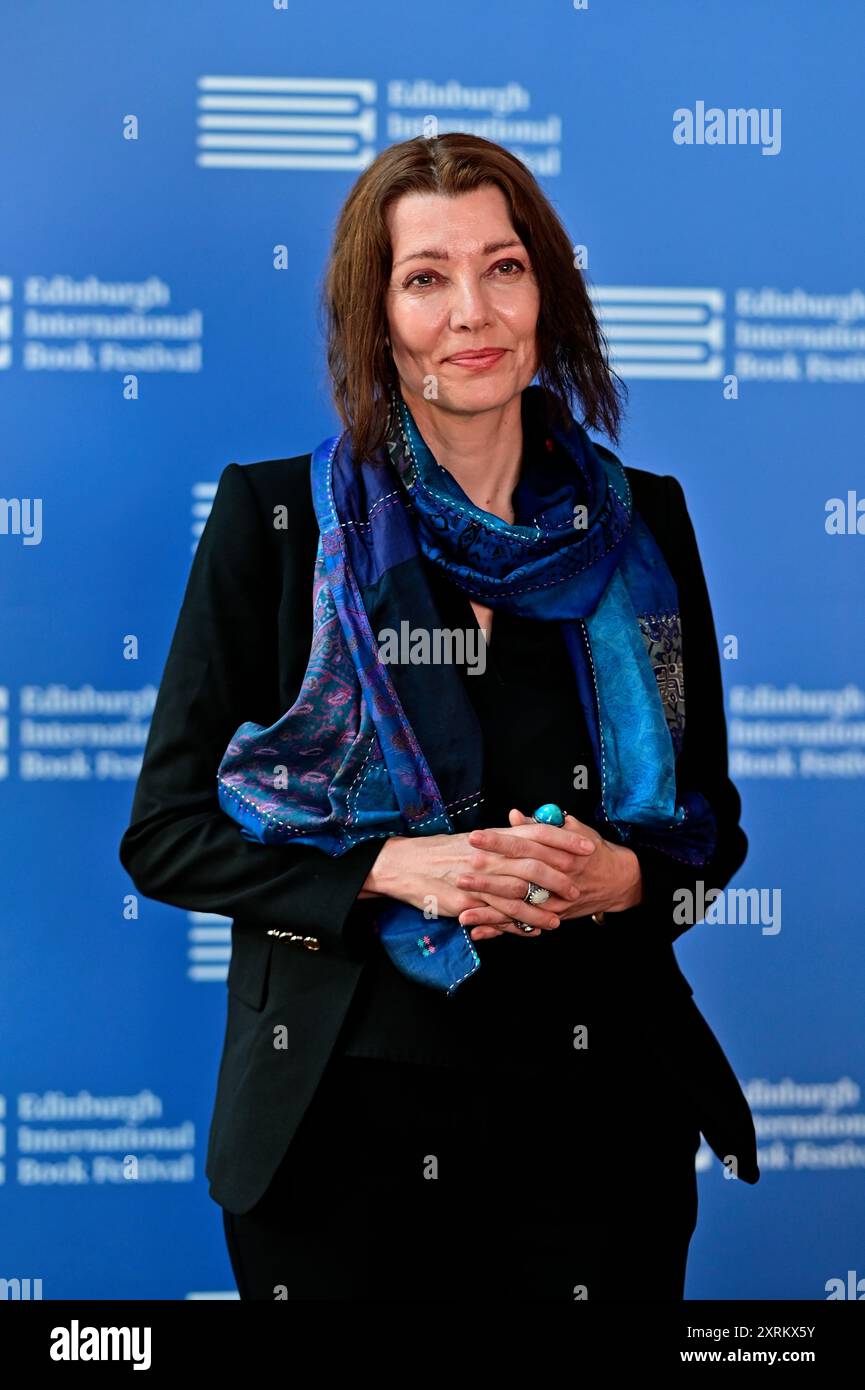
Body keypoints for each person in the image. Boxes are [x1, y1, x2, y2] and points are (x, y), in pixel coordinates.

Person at [119, 132, 760, 1303]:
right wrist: (392, 869)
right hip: (339, 1136)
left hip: (596, 1129)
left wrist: (617, 880)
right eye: (425, 277)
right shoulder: (279, 521)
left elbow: (704, 833)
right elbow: (165, 831)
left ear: (547, 292)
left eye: (503, 266)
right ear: (377, 315)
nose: (472, 311)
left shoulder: (645, 531)